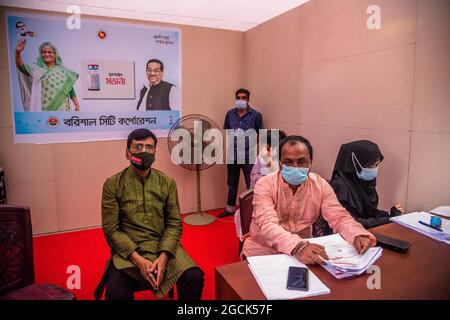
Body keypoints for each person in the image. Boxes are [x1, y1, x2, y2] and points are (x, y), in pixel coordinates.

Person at [94, 129, 204, 300]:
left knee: (194, 277)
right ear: (127, 153)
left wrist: (164, 255)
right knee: (116, 293)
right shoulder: (113, 184)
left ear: (155, 152)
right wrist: (137, 259)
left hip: (162, 246)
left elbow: (174, 223)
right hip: (129, 252)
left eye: (149, 147)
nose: (144, 151)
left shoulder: (167, 183)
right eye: (138, 147)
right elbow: (111, 230)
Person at [242, 135, 376, 265]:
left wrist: (356, 234)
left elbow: (339, 217)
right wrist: (297, 246)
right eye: (288, 162)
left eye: (301, 161)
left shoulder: (320, 185)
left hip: (304, 252)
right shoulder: (264, 184)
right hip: (263, 251)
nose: (295, 166)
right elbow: (267, 226)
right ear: (280, 164)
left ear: (310, 163)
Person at [330, 140, 405, 229]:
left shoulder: (363, 181)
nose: (374, 170)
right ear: (354, 165)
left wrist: (389, 214)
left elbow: (370, 213)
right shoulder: (340, 186)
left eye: (377, 165)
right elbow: (353, 223)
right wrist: (389, 219)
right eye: (370, 166)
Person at [218, 88, 264, 218]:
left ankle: (252, 212)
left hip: (248, 154)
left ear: (248, 99)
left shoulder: (256, 115)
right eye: (239, 97)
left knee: (251, 183)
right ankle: (230, 209)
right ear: (235, 99)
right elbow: (227, 130)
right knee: (232, 183)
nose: (241, 100)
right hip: (233, 154)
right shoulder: (230, 114)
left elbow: (260, 134)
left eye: (244, 97)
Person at [15, 39, 79, 112]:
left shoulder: (64, 70)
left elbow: (69, 87)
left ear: (55, 54)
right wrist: (17, 52)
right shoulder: (36, 69)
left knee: (61, 122)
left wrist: (76, 103)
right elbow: (21, 67)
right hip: (43, 109)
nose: (46, 54)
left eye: (50, 52)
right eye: (44, 52)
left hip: (62, 108)